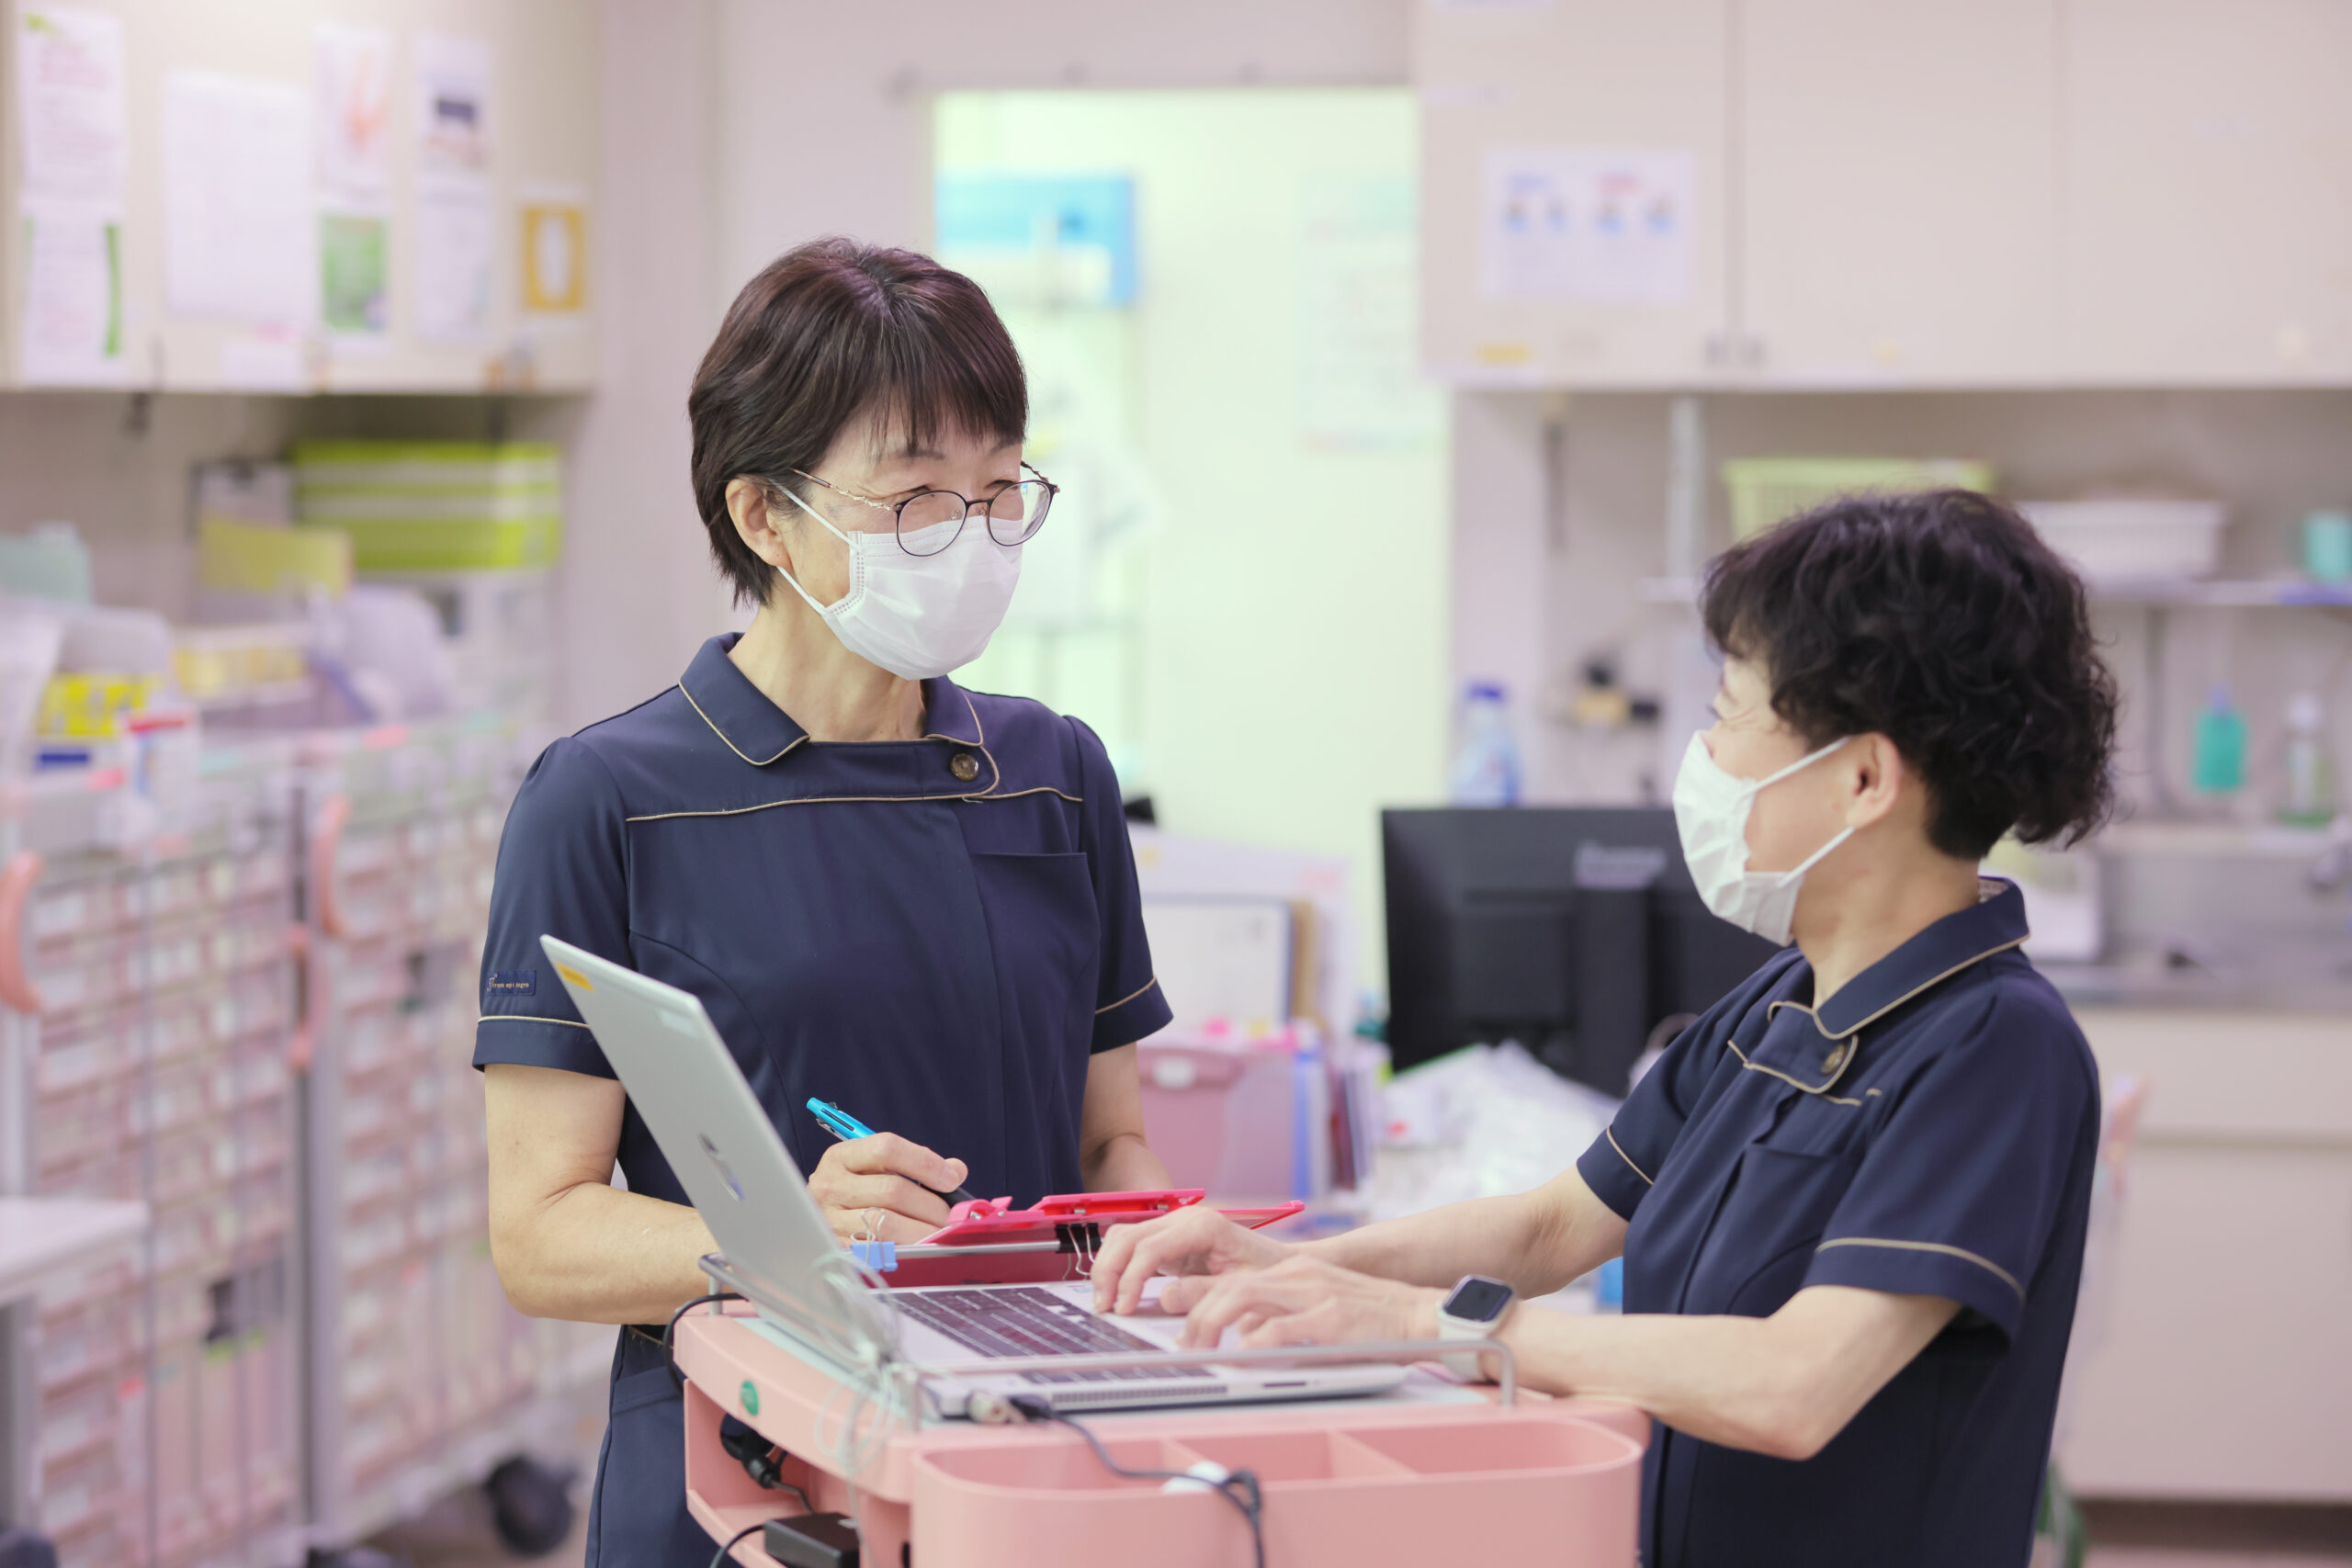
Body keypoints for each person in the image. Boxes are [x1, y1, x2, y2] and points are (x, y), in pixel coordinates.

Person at [1091, 489, 2121, 1568]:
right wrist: (1292, 1267)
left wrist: (1433, 1329)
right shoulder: (1774, 1004)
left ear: (1862, 779)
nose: (1704, 760)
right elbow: (1552, 1230)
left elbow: (1796, 1387)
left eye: (1730, 716)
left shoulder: (1996, 1049)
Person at [474, 239, 1173, 1567]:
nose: (968, 535)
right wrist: (788, 1238)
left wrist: (1164, 1246)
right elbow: (543, 1234)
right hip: (744, 1468)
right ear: (764, 515)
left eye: (996, 487)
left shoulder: (1054, 776)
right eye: (914, 495)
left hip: (1022, 1448)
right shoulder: (609, 797)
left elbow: (1108, 1149)